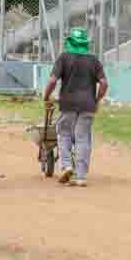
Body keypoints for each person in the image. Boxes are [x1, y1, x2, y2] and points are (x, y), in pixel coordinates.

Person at [43, 28, 108, 187]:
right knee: (83, 138)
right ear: (85, 43)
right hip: (88, 105)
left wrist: (46, 96)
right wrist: (97, 99)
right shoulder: (93, 60)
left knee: (64, 133)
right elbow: (104, 83)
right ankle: (81, 177)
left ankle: (66, 166)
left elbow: (52, 81)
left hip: (68, 104)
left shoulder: (64, 58)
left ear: (70, 41)